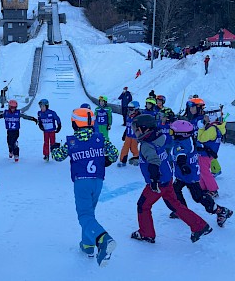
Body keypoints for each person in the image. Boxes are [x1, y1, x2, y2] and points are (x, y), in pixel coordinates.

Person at [51, 108, 119, 267]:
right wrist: (106, 159)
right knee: (90, 213)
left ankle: (103, 238)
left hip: (82, 181)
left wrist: (54, 148)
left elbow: (58, 157)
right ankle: (87, 245)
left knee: (84, 215)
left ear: (74, 123)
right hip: (98, 181)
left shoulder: (72, 141)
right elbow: (114, 155)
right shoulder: (100, 138)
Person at [130, 114, 212, 243]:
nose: (135, 132)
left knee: (143, 205)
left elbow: (154, 162)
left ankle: (146, 233)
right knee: (175, 205)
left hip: (158, 183)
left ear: (145, 129)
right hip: (167, 180)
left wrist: (154, 180)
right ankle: (199, 225)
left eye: (137, 129)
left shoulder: (147, 145)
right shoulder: (159, 138)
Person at [169, 120, 232, 226]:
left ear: (180, 134)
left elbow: (181, 155)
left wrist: (183, 165)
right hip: (183, 175)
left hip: (189, 176)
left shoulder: (182, 144)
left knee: (198, 197)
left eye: (172, 132)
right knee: (175, 190)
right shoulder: (189, 139)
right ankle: (182, 212)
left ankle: (221, 211)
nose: (171, 134)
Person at [196, 106, 226, 198]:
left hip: (205, 153)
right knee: (201, 170)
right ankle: (203, 187)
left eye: (206, 116)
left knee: (204, 171)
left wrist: (201, 128)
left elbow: (201, 138)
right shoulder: (217, 127)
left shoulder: (212, 129)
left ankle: (213, 190)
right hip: (208, 153)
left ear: (211, 116)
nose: (204, 118)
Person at [117, 101, 141, 167]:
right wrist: (125, 134)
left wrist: (140, 136)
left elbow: (141, 128)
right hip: (128, 136)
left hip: (135, 136)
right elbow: (128, 126)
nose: (130, 111)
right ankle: (122, 160)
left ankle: (137, 158)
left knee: (133, 148)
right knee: (125, 148)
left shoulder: (139, 118)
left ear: (136, 109)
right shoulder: (129, 117)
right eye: (129, 109)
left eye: (131, 109)